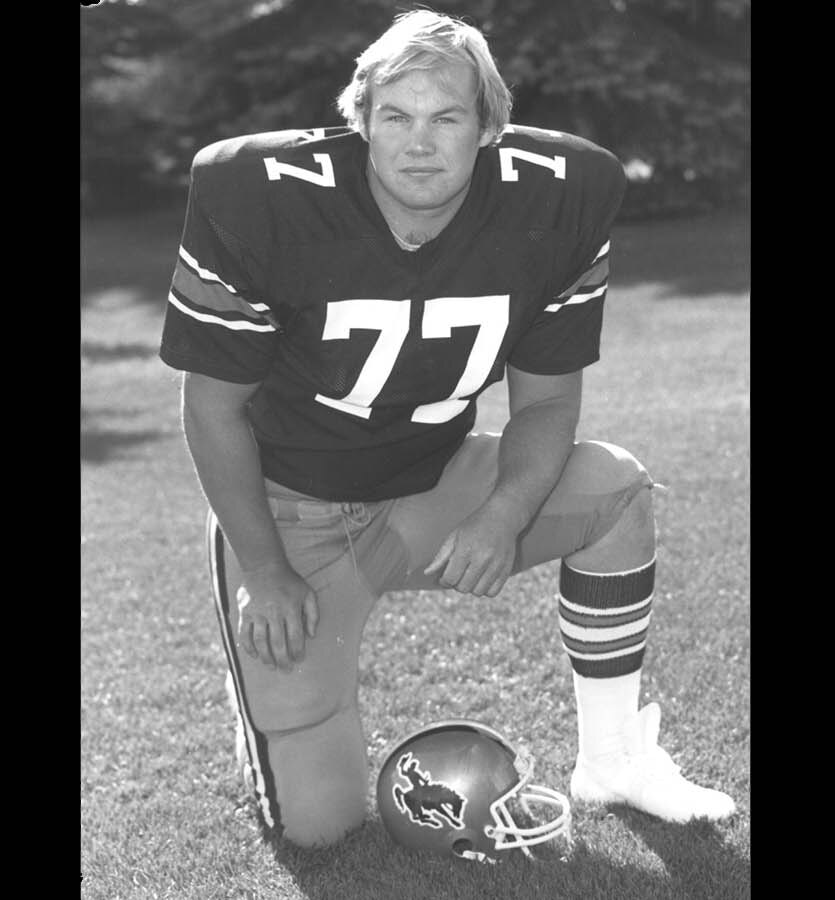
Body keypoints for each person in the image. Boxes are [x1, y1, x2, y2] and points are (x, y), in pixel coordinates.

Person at [158, 9, 735, 849]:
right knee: (318, 828)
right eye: (395, 116)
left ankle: (613, 757)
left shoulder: (558, 198)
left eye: (447, 117)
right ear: (361, 121)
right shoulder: (261, 199)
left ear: (488, 127)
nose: (418, 143)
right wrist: (264, 567)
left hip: (430, 488)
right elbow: (211, 408)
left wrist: (501, 515)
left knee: (612, 486)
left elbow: (544, 405)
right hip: (290, 516)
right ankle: (270, 703)